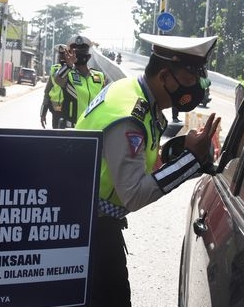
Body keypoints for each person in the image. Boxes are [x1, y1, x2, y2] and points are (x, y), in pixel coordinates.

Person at [74, 33, 220, 306]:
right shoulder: (131, 114)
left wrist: (181, 149)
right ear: (165, 76)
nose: (196, 87)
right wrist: (192, 160)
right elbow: (134, 194)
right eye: (190, 79)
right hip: (89, 231)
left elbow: (139, 159)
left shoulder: (136, 94)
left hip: (91, 224)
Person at [53, 35, 107, 128]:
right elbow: (58, 79)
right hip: (71, 129)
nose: (77, 56)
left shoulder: (99, 76)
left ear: (89, 56)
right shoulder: (67, 74)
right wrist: (68, 66)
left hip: (93, 128)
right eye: (74, 53)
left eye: (82, 52)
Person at [40, 63, 65, 128]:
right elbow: (47, 92)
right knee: (56, 133)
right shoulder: (55, 70)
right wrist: (43, 113)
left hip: (71, 114)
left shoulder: (76, 70)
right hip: (56, 110)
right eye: (60, 54)